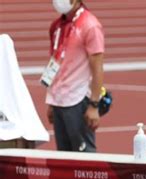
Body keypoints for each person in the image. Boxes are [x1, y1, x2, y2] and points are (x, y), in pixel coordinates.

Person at [42, 0, 104, 152]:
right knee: (64, 156)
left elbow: (97, 67)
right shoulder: (57, 26)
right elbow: (55, 62)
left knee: (84, 156)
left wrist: (94, 105)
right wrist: (52, 100)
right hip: (59, 100)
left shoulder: (90, 25)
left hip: (78, 99)